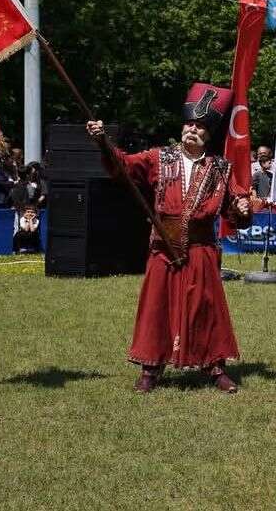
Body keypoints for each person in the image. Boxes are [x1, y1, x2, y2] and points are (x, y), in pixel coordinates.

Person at [86, 83, 251, 393]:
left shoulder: (220, 168)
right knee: (157, 307)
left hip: (201, 248)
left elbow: (235, 210)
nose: (193, 130)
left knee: (206, 308)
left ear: (208, 134)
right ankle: (151, 369)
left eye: (200, 127)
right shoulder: (158, 157)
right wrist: (103, 142)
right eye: (189, 124)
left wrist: (242, 207)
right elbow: (124, 165)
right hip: (163, 246)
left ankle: (215, 367)